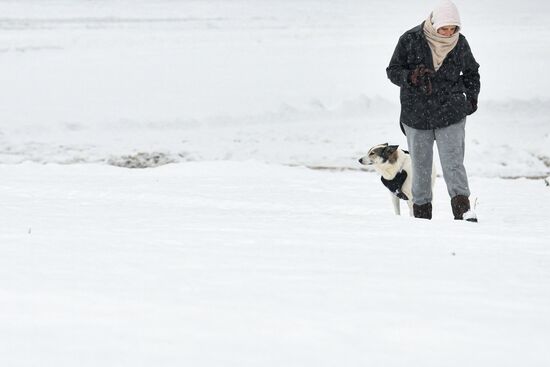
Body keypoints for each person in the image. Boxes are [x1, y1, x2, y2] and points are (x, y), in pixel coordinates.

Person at [386, 0, 480, 221]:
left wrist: (471, 97)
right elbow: (392, 70)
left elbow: (471, 73)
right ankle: (421, 216)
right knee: (420, 168)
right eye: (444, 28)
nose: (448, 33)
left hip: (451, 113)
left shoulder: (460, 43)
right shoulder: (410, 40)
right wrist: (410, 77)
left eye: (453, 28)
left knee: (453, 164)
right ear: (433, 23)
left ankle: (464, 213)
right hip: (416, 115)